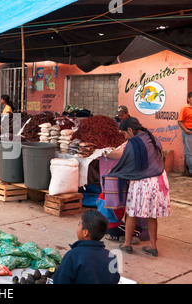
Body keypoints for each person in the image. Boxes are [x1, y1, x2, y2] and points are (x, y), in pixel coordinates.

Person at [105, 118, 170, 257]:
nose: (125, 137)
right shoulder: (152, 138)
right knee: (152, 215)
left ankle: (127, 244)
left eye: (124, 134)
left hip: (142, 181)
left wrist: (115, 171)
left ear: (130, 130)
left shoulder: (133, 143)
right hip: (159, 179)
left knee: (131, 212)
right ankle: (153, 247)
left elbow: (126, 163)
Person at [53, 210, 120, 284]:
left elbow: (59, 281)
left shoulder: (73, 255)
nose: (77, 228)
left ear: (85, 232)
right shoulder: (111, 257)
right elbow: (115, 279)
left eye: (79, 224)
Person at [178, 91, 192, 176]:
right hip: (188, 132)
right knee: (189, 152)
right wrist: (185, 130)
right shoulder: (184, 108)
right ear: (188, 99)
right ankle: (191, 171)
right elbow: (180, 121)